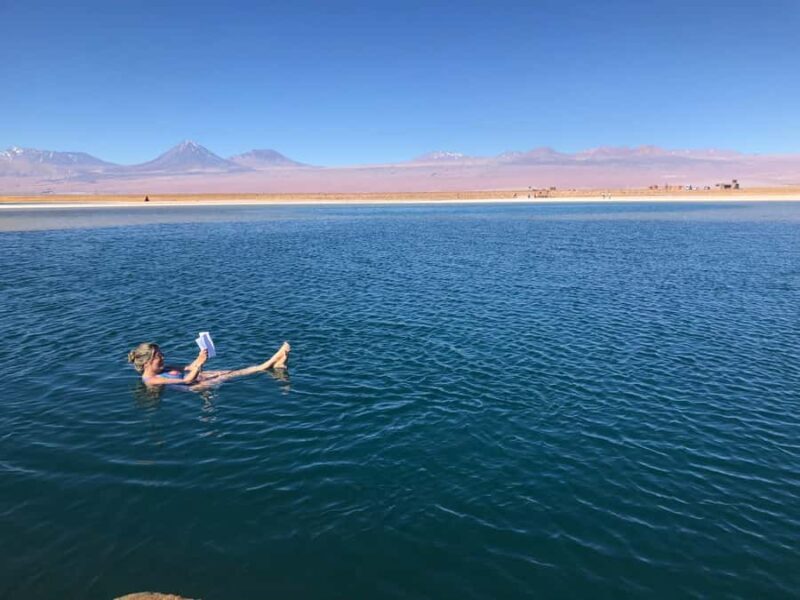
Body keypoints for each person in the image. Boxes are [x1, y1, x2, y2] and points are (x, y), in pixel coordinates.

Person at [127, 341, 290, 388]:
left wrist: (200, 357)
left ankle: (275, 365)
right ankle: (272, 361)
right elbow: (186, 381)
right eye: (158, 356)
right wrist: (199, 365)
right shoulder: (152, 380)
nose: (163, 357)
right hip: (195, 386)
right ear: (147, 362)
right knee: (234, 374)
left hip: (197, 378)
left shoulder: (164, 368)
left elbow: (189, 368)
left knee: (232, 371)